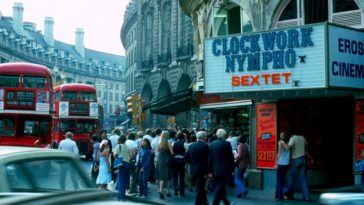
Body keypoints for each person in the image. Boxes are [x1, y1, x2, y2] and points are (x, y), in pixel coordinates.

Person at [209, 128, 235, 205]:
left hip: (215, 169)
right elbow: (230, 157)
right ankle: (215, 203)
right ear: (224, 135)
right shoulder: (226, 144)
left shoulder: (212, 144)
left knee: (221, 186)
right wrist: (232, 169)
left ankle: (227, 202)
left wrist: (210, 171)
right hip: (224, 169)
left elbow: (210, 159)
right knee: (220, 187)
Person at [285, 129, 312, 201]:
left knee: (292, 179)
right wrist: (310, 158)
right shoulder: (303, 138)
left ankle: (290, 195)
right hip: (303, 160)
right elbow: (306, 151)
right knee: (303, 179)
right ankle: (306, 197)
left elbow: (288, 147)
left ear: (292, 133)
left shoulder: (293, 138)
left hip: (295, 160)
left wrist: (282, 142)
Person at [185, 131, 209, 205]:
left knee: (199, 186)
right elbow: (207, 161)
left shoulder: (192, 145)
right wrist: (207, 172)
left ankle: (205, 202)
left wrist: (192, 163)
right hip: (202, 170)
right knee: (200, 188)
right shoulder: (205, 146)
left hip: (193, 169)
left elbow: (186, 157)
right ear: (204, 138)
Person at [156, 130, 174, 199]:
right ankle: (167, 191)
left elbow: (158, 151)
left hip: (160, 160)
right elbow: (172, 153)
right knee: (168, 176)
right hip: (167, 160)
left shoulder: (159, 143)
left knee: (161, 176)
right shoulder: (168, 143)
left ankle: (160, 190)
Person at [114, 134, 131, 201]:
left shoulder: (118, 146)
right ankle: (119, 195)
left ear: (120, 139)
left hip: (121, 164)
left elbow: (115, 155)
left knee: (121, 180)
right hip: (127, 164)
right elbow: (130, 156)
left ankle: (122, 198)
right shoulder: (127, 146)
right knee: (124, 180)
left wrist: (116, 156)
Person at [275, 131, 291, 201]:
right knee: (283, 179)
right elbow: (288, 148)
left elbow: (279, 153)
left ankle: (280, 196)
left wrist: (276, 162)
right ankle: (286, 191)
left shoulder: (280, 142)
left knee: (279, 180)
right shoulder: (289, 143)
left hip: (281, 163)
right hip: (286, 164)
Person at [235, 134, 249, 198]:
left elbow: (239, 155)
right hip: (245, 163)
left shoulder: (240, 146)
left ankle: (243, 189)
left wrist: (235, 156)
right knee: (241, 178)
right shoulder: (246, 146)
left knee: (237, 179)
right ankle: (239, 193)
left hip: (240, 164)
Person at [173, 132, 186, 197]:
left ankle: (175, 189)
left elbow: (172, 152)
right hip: (182, 160)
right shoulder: (184, 144)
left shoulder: (174, 143)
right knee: (182, 176)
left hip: (175, 160)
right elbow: (186, 152)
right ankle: (182, 191)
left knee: (175, 175)